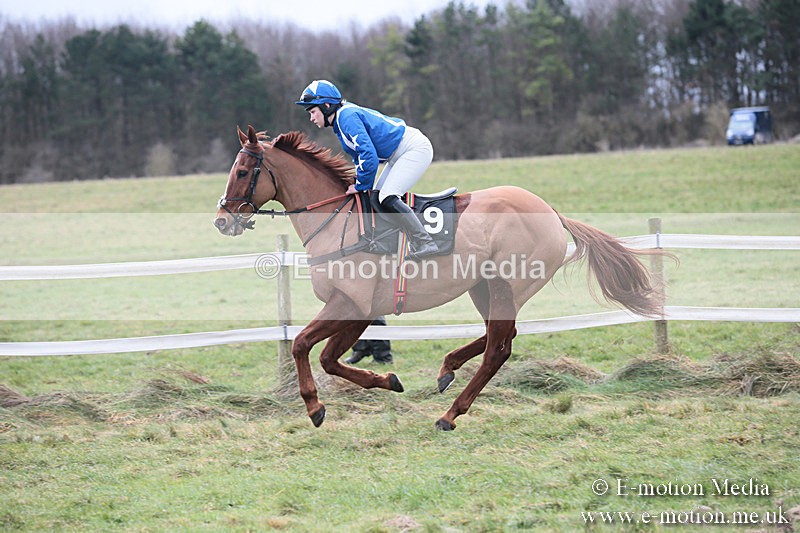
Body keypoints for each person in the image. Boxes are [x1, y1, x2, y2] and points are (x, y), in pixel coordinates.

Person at [295, 79, 439, 259]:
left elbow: (368, 155)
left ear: (326, 106)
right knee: (377, 197)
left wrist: (361, 185)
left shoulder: (346, 117)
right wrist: (359, 180)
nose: (311, 118)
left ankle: (425, 242)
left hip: (413, 149)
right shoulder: (339, 122)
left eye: (313, 112)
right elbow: (359, 157)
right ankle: (392, 240)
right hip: (398, 154)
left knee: (387, 196)